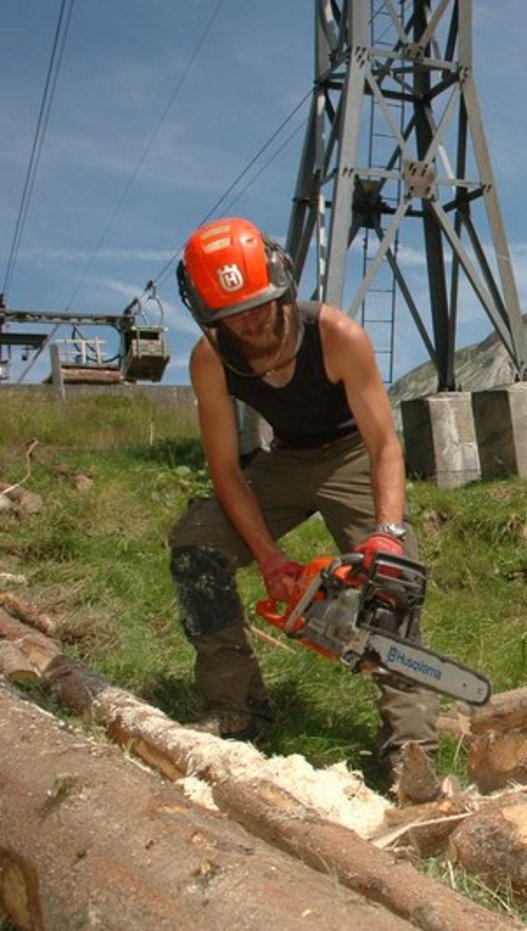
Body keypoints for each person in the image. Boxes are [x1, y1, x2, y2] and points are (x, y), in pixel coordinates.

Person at [167, 216, 437, 785]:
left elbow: (385, 445)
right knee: (197, 543)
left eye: (260, 306)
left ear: (281, 285)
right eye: (232, 316)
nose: (251, 322)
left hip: (352, 455)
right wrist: (268, 557)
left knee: (395, 575)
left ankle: (409, 746)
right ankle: (235, 707)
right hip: (283, 460)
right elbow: (224, 470)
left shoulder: (337, 335)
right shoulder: (210, 358)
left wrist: (386, 533)